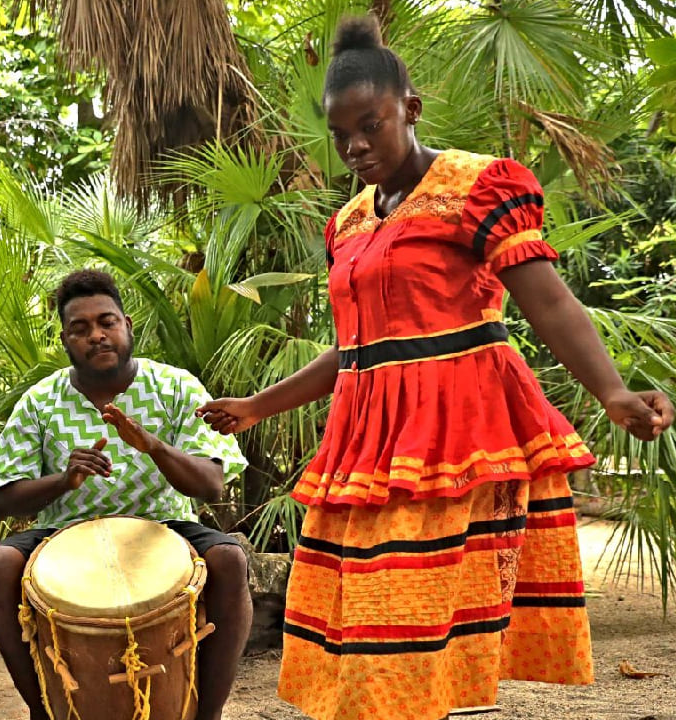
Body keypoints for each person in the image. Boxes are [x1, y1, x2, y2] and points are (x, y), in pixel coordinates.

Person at [195, 17, 674, 720]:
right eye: (340, 135)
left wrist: (610, 392)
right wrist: (258, 406)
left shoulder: (479, 186)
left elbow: (546, 299)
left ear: (409, 109)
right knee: (366, 630)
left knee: (408, 623)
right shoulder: (350, 222)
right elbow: (358, 347)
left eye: (371, 125)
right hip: (366, 442)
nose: (355, 147)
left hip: (454, 432)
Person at [0, 270, 253, 720]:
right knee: (0, 562)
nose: (96, 335)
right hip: (63, 534)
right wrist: (61, 481)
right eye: (80, 328)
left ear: (127, 324)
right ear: (65, 339)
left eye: (106, 322)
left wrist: (155, 447)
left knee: (230, 558)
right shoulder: (39, 401)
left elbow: (210, 484)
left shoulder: (175, 386)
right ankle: (43, 709)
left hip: (163, 525)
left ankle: (207, 714)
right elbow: (3, 498)